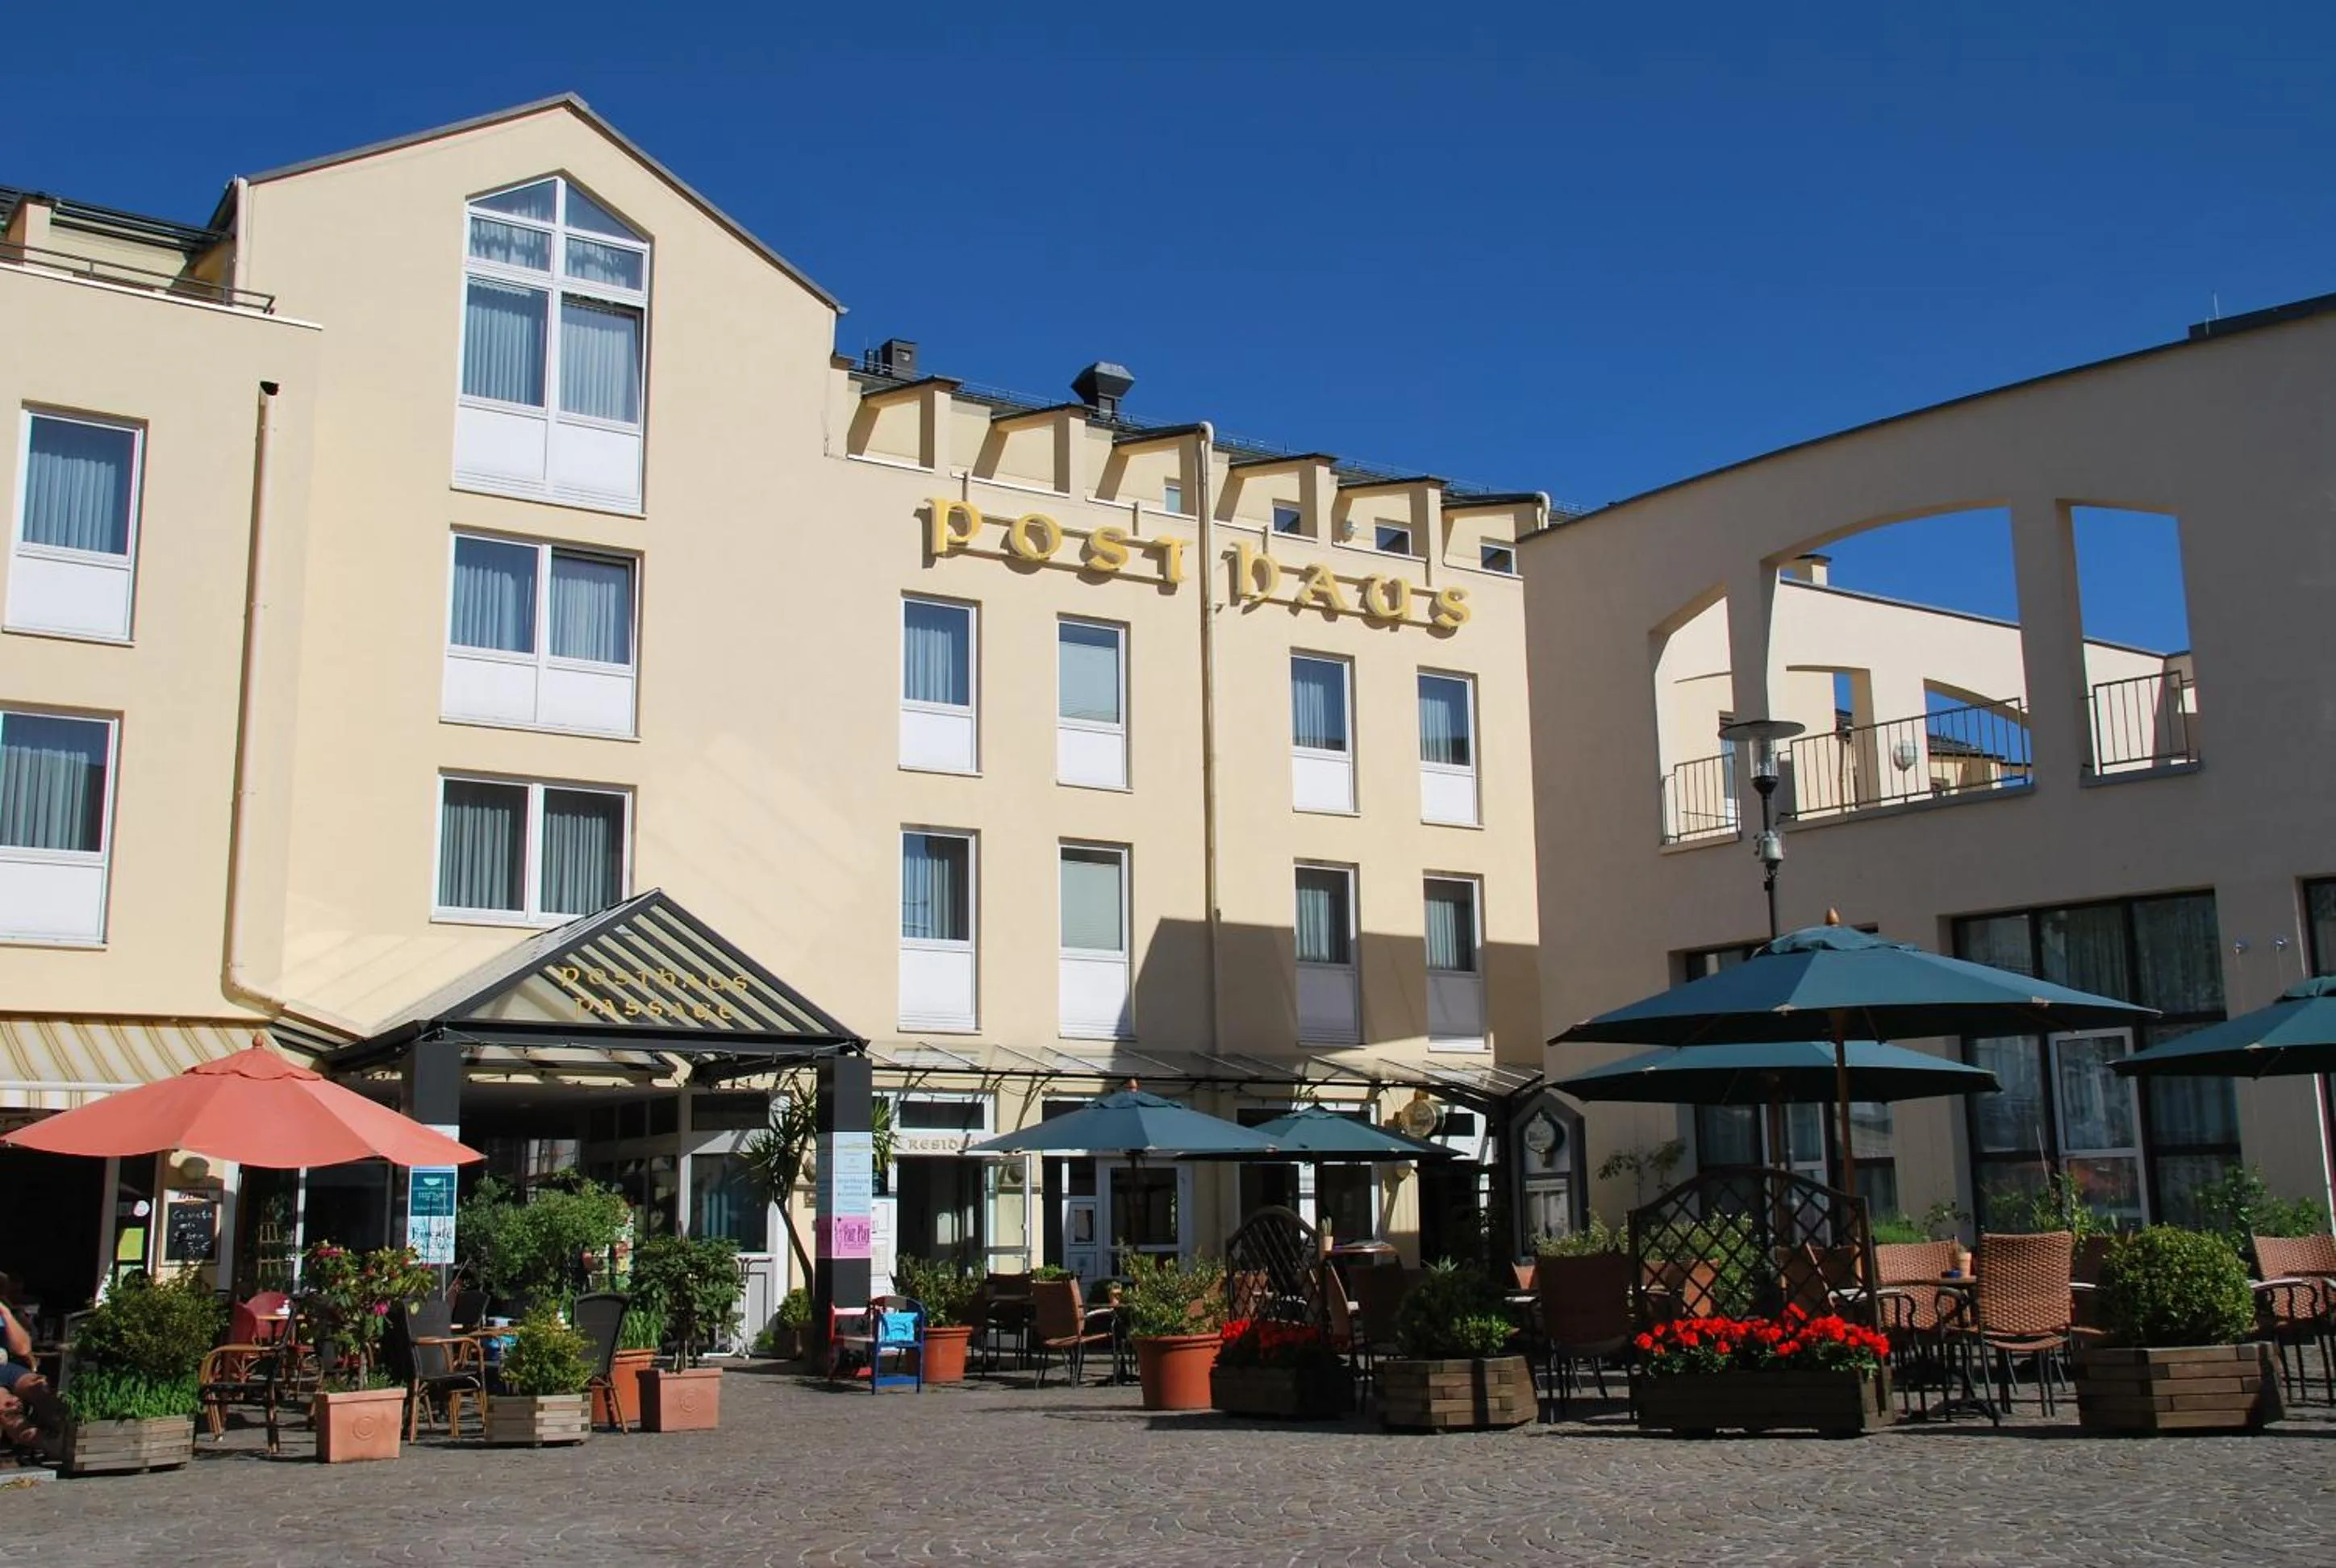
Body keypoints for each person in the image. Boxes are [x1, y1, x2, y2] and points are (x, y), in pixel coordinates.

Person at [0, 1276, 65, 1462]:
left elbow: (23, 1348)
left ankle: (68, 1432)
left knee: (40, 1387)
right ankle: (50, 1445)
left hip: (7, 1367)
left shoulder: (7, 1313)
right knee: (7, 1407)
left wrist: (6, 1313)